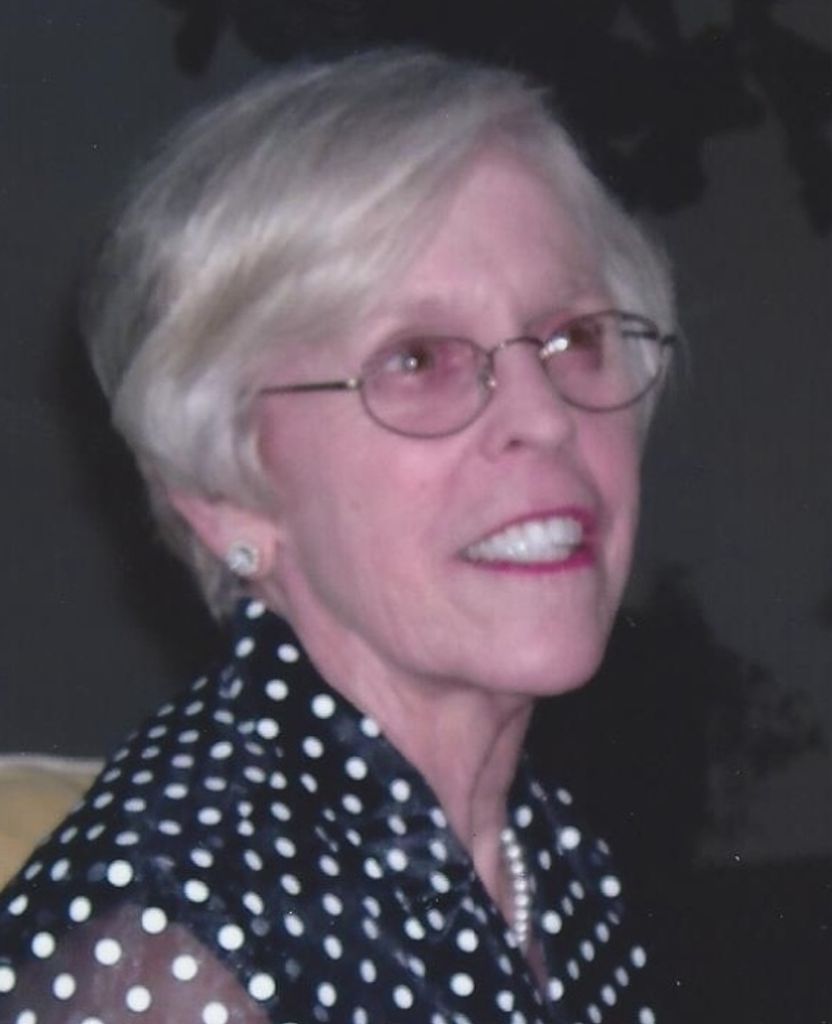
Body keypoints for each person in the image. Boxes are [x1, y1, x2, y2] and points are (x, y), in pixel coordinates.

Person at [0, 49, 675, 1023]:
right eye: (418, 359)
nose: (545, 415)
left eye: (575, 337)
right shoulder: (173, 962)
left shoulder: (549, 857)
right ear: (227, 493)